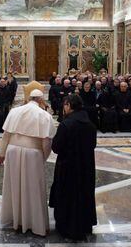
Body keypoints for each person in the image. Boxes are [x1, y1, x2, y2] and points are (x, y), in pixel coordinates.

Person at [0, 89, 56, 236]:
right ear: (41, 101)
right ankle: (33, 222)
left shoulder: (14, 111)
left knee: (14, 185)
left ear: (29, 98)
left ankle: (15, 219)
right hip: (33, 153)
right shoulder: (44, 115)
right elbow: (46, 142)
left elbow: (6, 135)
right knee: (33, 188)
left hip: (12, 150)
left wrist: (2, 154)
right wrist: (43, 157)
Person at [49, 94, 97, 240]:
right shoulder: (90, 124)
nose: (64, 107)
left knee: (68, 196)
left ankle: (67, 227)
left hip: (68, 168)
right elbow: (93, 145)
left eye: (65, 105)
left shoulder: (66, 124)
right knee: (83, 194)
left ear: (69, 105)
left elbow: (56, 147)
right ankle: (84, 225)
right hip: (86, 167)